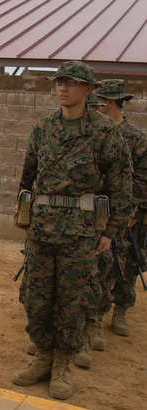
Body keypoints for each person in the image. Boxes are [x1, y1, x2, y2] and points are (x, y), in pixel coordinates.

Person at [12, 62, 133, 397]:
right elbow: (27, 177)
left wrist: (110, 232)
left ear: (88, 90)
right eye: (60, 82)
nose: (63, 88)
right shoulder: (43, 127)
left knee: (73, 300)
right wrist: (25, 215)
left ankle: (62, 365)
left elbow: (120, 186)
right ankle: (43, 356)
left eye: (71, 83)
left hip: (81, 232)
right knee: (36, 298)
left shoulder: (105, 131)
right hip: (42, 229)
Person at [93, 79, 147, 338]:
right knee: (100, 264)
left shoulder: (136, 139)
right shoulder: (95, 132)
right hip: (98, 212)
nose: (96, 105)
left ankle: (121, 311)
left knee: (126, 265)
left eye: (101, 101)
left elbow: (142, 180)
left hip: (128, 215)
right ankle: (96, 318)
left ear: (113, 102)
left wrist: (130, 212)